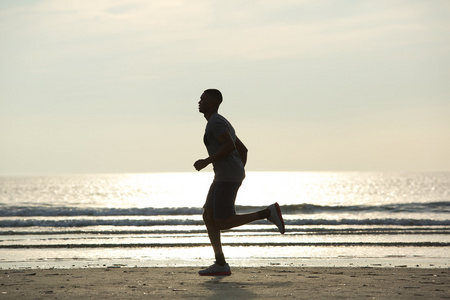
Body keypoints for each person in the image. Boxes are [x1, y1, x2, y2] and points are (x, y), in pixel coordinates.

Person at [194, 89, 285, 276]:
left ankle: (267, 212)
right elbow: (243, 149)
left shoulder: (216, 122)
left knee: (221, 221)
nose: (199, 102)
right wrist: (237, 168)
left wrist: (207, 161)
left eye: (202, 99)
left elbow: (229, 146)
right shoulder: (218, 122)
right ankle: (220, 264)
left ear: (212, 103)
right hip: (225, 174)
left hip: (226, 175)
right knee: (208, 216)